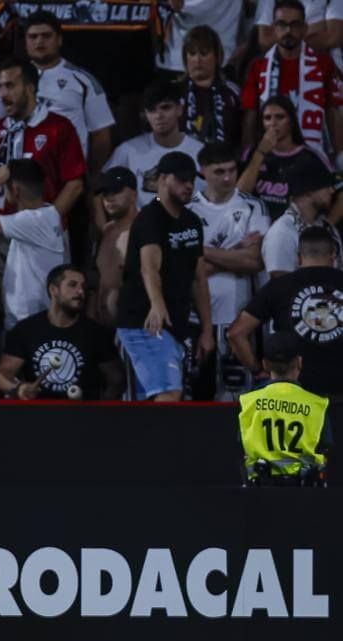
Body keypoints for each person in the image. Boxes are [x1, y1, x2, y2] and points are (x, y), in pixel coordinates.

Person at [115, 152, 214, 401]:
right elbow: (149, 267)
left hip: (175, 325)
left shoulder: (192, 221)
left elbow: (199, 278)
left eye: (191, 180)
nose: (188, 185)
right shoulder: (150, 218)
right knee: (168, 393)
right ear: (162, 179)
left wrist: (207, 329)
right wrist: (157, 305)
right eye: (181, 179)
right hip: (145, 322)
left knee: (159, 394)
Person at [229, 227, 343, 399]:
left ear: (298, 257)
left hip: (293, 395)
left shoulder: (279, 286)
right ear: (333, 255)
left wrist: (258, 371)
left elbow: (235, 333)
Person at [0, 264, 122, 401]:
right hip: (38, 410)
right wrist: (19, 388)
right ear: (53, 290)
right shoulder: (26, 330)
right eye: (72, 285)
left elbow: (116, 380)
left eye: (83, 286)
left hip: (83, 412)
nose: (81, 291)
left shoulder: (96, 333)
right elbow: (3, 374)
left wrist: (101, 409)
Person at [0, 59, 86, 217]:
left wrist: (48, 222)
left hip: (43, 226)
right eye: (0, 87)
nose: (2, 95)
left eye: (10, 86)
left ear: (30, 88)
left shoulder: (59, 128)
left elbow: (75, 184)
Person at [241, 0, 343, 163]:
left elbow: (332, 111)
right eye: (282, 25)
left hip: (312, 156)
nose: (288, 31)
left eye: (295, 25)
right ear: (273, 28)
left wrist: (340, 155)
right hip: (269, 157)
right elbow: (250, 116)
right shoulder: (258, 66)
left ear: (304, 29)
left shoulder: (323, 63)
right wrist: (248, 155)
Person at [0, 160, 69, 330]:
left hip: (28, 321)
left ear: (15, 190)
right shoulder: (48, 214)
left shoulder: (32, 221)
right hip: (35, 318)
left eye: (5, 186)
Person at [189, 143, 271, 333]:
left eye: (232, 170)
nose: (227, 177)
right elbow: (186, 271)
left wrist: (200, 250)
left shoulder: (253, 206)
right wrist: (236, 251)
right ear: (202, 171)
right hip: (193, 317)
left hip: (239, 318)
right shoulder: (187, 209)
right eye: (219, 172)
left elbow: (255, 261)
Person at [23, 11, 115, 172]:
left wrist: (91, 175)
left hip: (70, 175)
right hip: (24, 175)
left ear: (59, 39)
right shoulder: (11, 79)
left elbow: (101, 135)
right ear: (25, 41)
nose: (39, 41)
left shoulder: (83, 80)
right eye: (33, 36)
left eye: (46, 35)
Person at [237, 331, 331, 486]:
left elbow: (242, 446)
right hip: (305, 492)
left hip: (259, 491)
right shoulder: (317, 404)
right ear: (299, 362)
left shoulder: (248, 402)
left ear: (265, 364)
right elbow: (324, 447)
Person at [103, 80, 205, 209]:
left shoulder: (201, 152)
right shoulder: (128, 151)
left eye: (165, 107)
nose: (158, 115)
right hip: (142, 220)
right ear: (145, 114)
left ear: (179, 109)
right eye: (151, 110)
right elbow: (101, 188)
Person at [237, 95, 333, 222]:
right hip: (254, 226)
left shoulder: (311, 158)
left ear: (291, 121)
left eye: (280, 117)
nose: (273, 123)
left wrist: (328, 223)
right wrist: (260, 153)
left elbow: (331, 197)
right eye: (267, 118)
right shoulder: (251, 154)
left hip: (295, 227)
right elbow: (239, 197)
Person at [260, 150, 343, 278]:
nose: (331, 191)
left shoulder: (328, 228)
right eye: (325, 186)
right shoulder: (282, 232)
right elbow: (281, 285)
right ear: (308, 192)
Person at [179, 25, 243, 147]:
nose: (197, 60)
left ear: (217, 56)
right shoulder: (175, 93)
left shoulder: (233, 93)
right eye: (192, 53)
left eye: (204, 53)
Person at [92, 167, 139, 326]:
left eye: (116, 191)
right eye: (105, 193)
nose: (109, 198)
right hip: (102, 328)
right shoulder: (107, 231)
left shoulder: (144, 230)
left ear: (134, 194)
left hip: (134, 328)